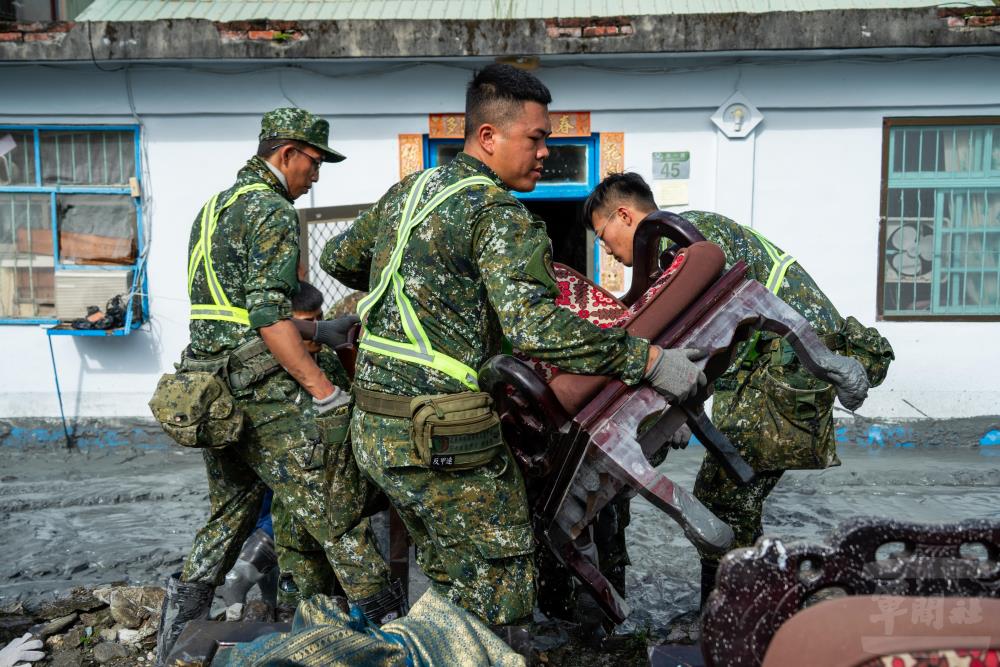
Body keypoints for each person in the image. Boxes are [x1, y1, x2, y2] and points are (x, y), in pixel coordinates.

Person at [319, 65, 707, 633]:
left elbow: (337, 258)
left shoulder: (408, 193)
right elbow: (535, 328)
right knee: (502, 597)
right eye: (536, 137)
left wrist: (422, 287)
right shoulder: (498, 213)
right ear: (488, 137)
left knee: (451, 582)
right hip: (443, 433)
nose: (546, 151)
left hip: (376, 429)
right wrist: (647, 361)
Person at [153, 108, 402, 666]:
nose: (316, 176)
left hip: (210, 389)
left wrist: (316, 330)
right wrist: (323, 389)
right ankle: (397, 638)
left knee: (229, 514)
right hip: (260, 390)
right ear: (287, 153)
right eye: (314, 163)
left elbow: (232, 311)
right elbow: (266, 317)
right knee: (335, 511)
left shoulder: (214, 208)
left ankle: (174, 639)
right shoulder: (271, 209)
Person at [582, 172, 894, 608]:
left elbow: (698, 335)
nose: (607, 250)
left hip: (784, 362)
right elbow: (709, 332)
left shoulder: (676, 241)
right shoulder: (688, 236)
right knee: (732, 497)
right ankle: (746, 608)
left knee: (725, 499)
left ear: (624, 214)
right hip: (772, 359)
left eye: (603, 236)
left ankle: (731, 617)